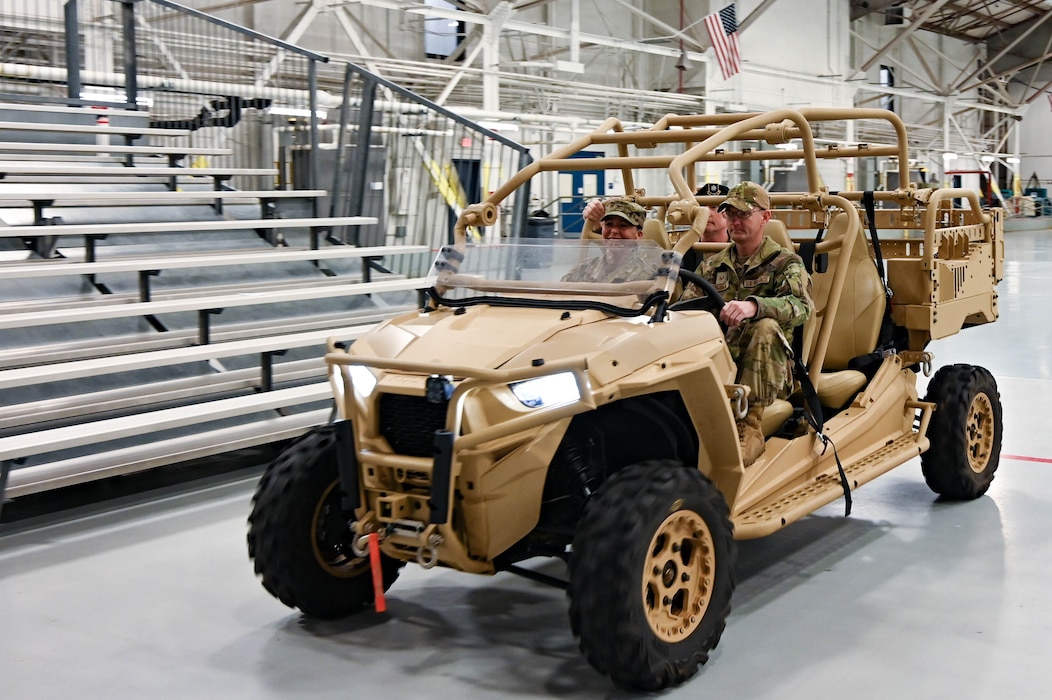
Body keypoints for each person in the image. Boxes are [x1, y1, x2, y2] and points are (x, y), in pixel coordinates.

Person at [684, 181, 814, 466]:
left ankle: (749, 426)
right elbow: (685, 308)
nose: (735, 221)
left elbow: (802, 307)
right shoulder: (711, 266)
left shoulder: (785, 263)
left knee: (764, 326)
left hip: (770, 369)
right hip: (721, 361)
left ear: (766, 217)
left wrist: (755, 306)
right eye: (730, 215)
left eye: (744, 214)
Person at [562, 198, 655, 283]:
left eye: (623, 225)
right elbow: (561, 293)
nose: (614, 231)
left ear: (638, 235)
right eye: (609, 224)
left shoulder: (647, 276)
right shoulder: (584, 268)